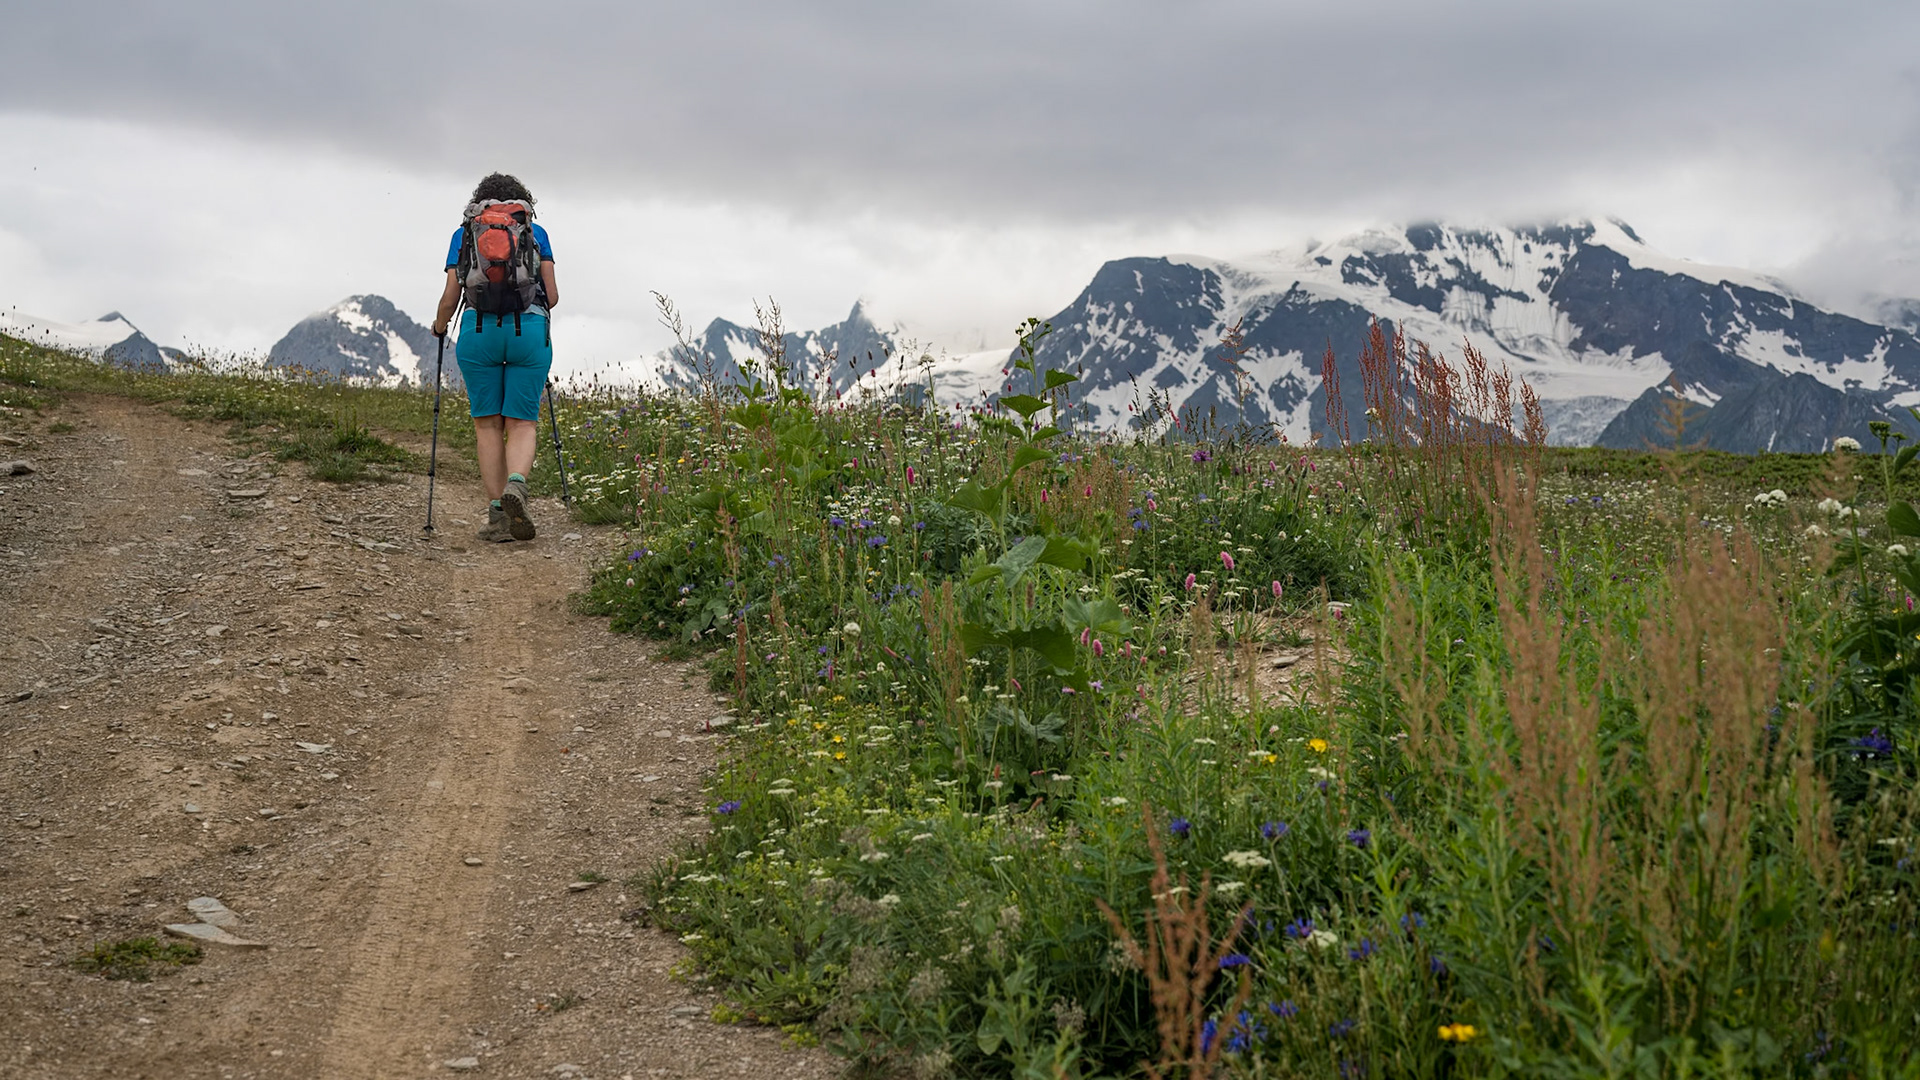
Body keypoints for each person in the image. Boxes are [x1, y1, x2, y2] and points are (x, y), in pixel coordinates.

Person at [431, 172, 559, 542]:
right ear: (521, 201)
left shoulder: (464, 234)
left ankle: (498, 516)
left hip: (479, 332)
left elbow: (450, 299)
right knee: (522, 423)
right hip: (529, 332)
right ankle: (516, 485)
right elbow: (550, 296)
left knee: (488, 424)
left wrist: (440, 326)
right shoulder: (536, 233)